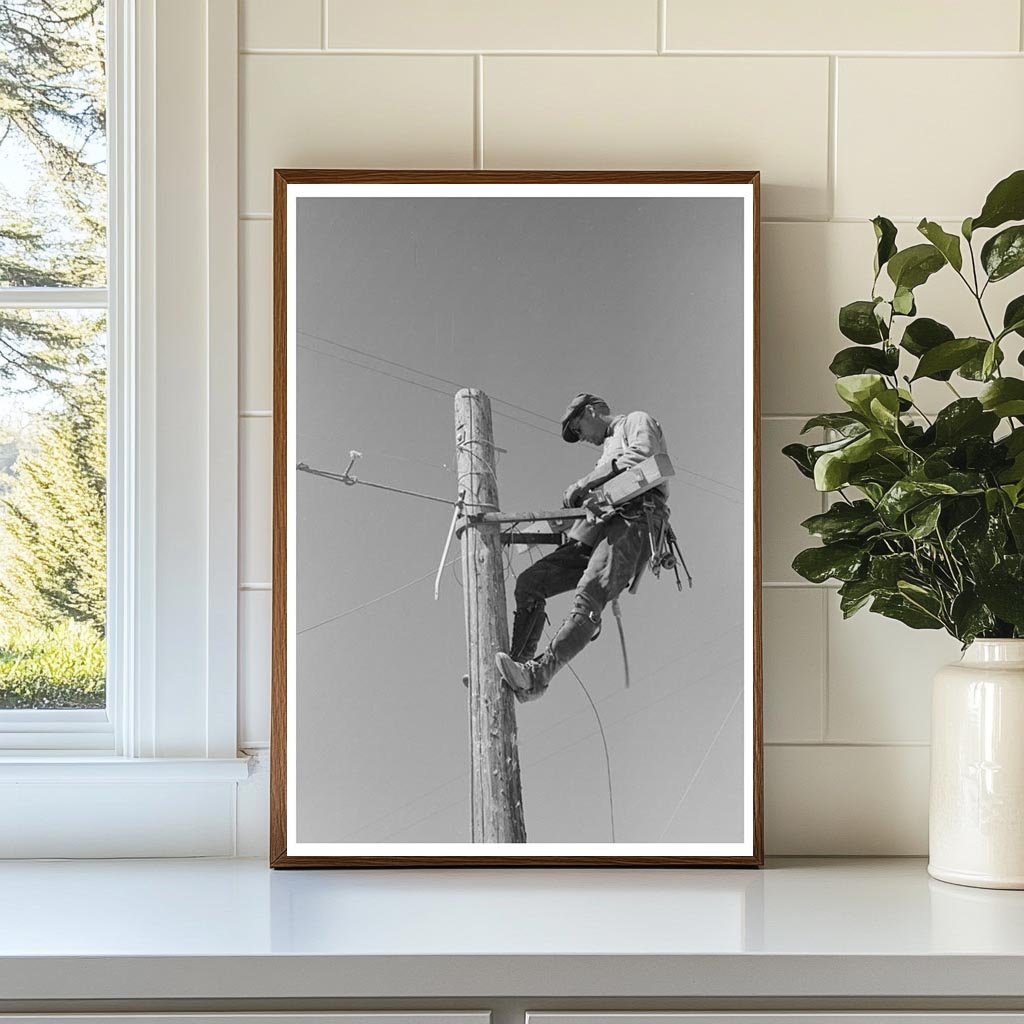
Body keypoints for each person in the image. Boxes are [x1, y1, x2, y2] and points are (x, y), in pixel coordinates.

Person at [495, 393, 671, 703]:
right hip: (596, 530)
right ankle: (518, 665)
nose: (581, 438)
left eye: (578, 429)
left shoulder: (635, 420)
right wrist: (572, 514)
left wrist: (585, 483)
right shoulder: (606, 452)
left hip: (634, 521)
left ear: (591, 411)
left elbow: (644, 455)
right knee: (529, 584)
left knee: (589, 594)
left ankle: (537, 677)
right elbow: (601, 493)